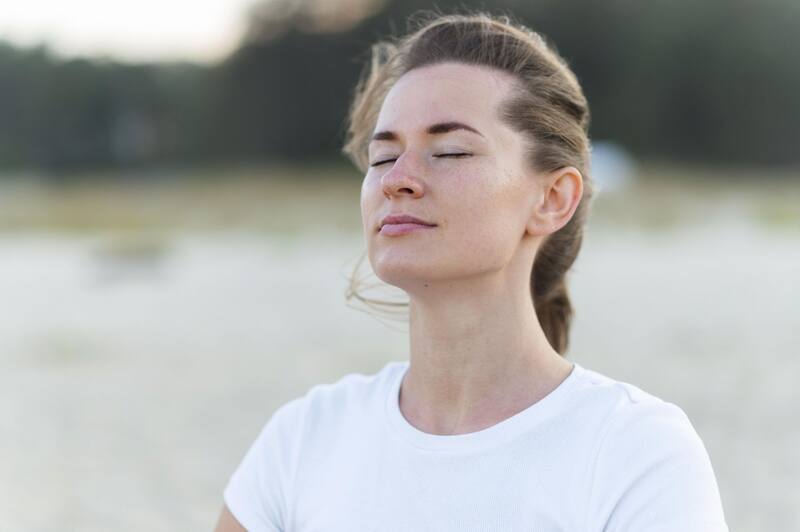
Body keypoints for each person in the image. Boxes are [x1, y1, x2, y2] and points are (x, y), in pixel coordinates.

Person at [214, 9, 729, 532]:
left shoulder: (632, 451)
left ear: (553, 199)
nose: (399, 180)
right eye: (382, 157)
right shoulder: (305, 439)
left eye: (451, 151)